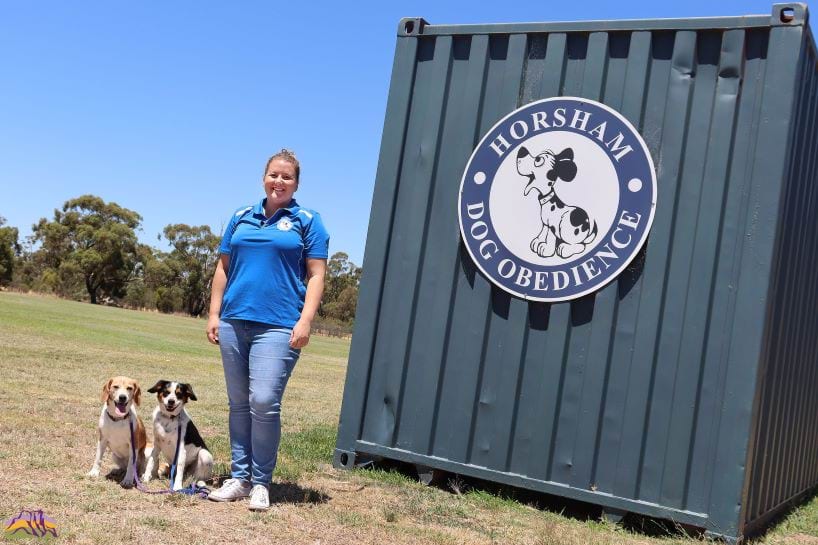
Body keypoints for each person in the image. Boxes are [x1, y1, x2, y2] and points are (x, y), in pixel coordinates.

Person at [205, 149, 328, 511]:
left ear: (296, 183)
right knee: (239, 403)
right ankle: (240, 479)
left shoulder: (308, 220)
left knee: (263, 401)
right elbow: (223, 268)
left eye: (286, 177)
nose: (279, 182)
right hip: (233, 320)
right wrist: (214, 313)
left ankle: (261, 482)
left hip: (279, 324)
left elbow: (317, 274)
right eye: (274, 175)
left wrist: (305, 320)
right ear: (264, 178)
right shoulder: (241, 216)